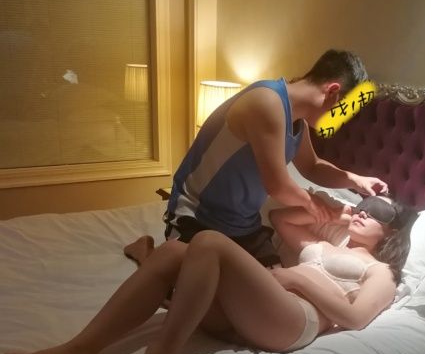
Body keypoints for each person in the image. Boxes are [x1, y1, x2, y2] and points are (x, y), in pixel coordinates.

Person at [3, 195, 417, 354]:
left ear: (393, 231)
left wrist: (296, 279)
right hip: (255, 311)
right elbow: (279, 217)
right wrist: (329, 210)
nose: (363, 211)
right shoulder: (326, 243)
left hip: (294, 321)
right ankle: (81, 350)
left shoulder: (381, 271)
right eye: (362, 205)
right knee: (174, 252)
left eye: (377, 212)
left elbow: (356, 319)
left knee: (211, 242)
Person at [123, 49, 388, 276]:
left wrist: (355, 180)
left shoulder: (297, 121)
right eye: (342, 111)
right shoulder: (267, 102)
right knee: (186, 293)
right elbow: (278, 186)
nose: (339, 121)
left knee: (266, 289)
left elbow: (312, 166)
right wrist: (316, 206)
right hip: (198, 213)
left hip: (242, 222)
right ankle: (146, 252)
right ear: (333, 92)